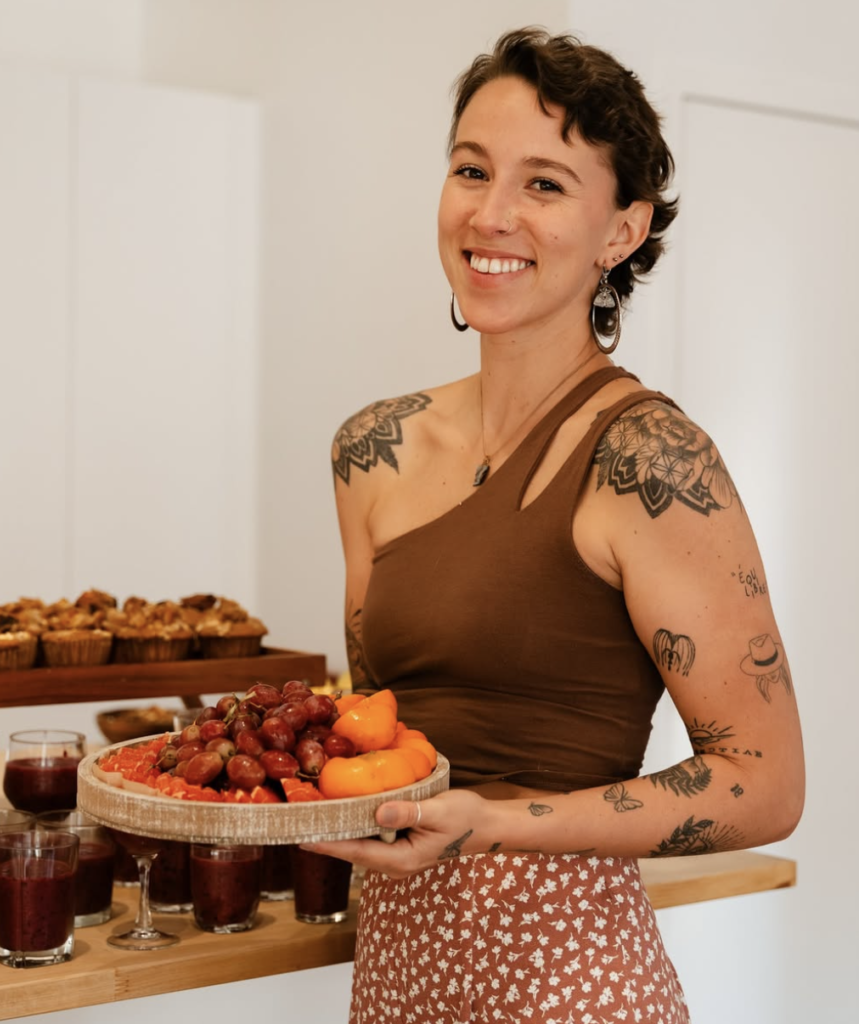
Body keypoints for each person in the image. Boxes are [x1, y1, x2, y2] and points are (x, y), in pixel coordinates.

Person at [314, 27, 805, 1024]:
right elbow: (382, 733)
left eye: (543, 184)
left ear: (621, 231)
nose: (490, 213)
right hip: (398, 977)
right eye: (471, 169)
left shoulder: (653, 461)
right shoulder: (370, 451)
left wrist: (493, 824)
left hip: (570, 982)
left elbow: (764, 785)